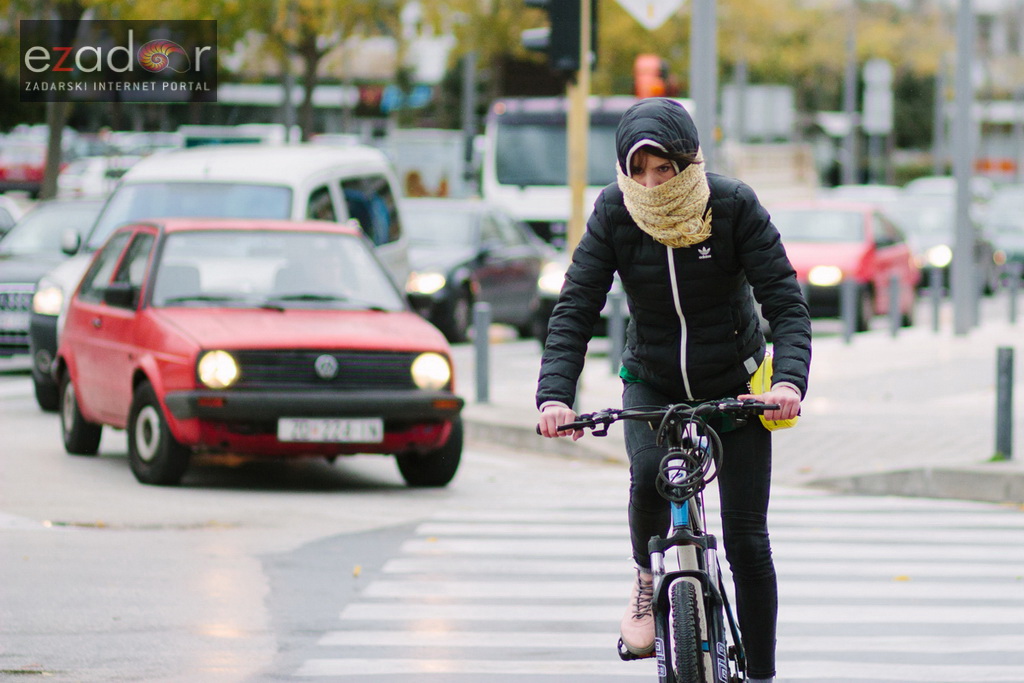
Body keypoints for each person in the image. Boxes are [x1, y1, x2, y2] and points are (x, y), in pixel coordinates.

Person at [536, 97, 811, 683]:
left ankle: (761, 675)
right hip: (652, 380)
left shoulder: (732, 205)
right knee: (646, 478)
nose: (651, 184)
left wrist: (787, 381)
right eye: (638, 170)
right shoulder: (615, 212)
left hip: (736, 387)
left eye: (663, 168)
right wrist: (555, 396)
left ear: (688, 163)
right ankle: (645, 580)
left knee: (747, 542)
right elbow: (576, 307)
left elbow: (786, 305)